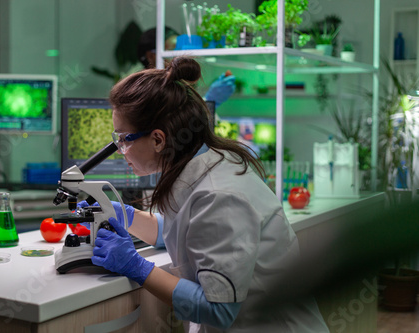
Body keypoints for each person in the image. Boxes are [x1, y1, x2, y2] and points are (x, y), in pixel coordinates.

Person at [79, 56, 330, 332]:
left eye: (123, 139)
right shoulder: (202, 165)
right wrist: (123, 215)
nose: (120, 150)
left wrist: (136, 267)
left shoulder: (219, 195)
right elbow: (183, 232)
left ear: (159, 139)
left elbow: (219, 309)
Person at [136, 27, 236, 107]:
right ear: (151, 56)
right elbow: (178, 124)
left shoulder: (177, 84)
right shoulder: (142, 89)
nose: (181, 57)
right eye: (174, 49)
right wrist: (209, 101)